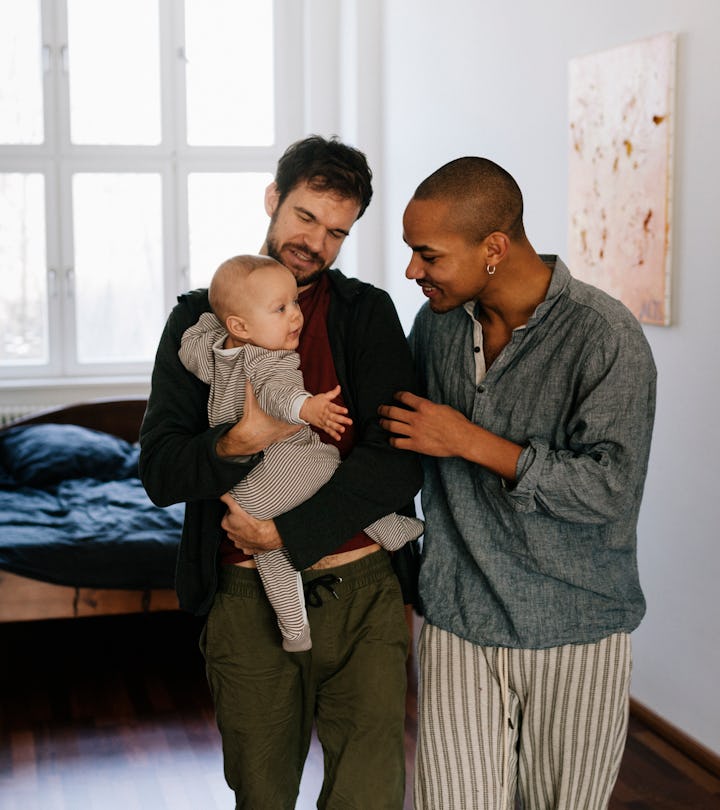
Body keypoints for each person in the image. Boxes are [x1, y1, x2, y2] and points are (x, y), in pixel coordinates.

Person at [139, 135, 422, 809]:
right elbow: (159, 469)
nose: (315, 242)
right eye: (304, 217)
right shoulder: (199, 321)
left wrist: (286, 535)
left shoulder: (367, 314)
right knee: (263, 795)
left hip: (362, 598)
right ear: (273, 199)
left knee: (369, 796)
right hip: (246, 606)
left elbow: (399, 460)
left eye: (336, 232)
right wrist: (238, 440)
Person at [378, 156, 657, 810]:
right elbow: (399, 443)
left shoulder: (605, 335)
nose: (413, 271)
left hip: (577, 626)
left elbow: (610, 490)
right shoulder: (437, 325)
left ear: (494, 248)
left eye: (428, 255)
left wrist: (469, 441)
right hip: (457, 616)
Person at [178, 253, 423, 653]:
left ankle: (294, 629)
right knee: (334, 467)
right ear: (240, 325)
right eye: (281, 308)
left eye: (295, 303)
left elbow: (190, 347)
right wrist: (308, 408)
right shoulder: (267, 358)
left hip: (246, 490)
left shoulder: (216, 356)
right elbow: (278, 393)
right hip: (284, 467)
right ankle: (387, 526)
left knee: (271, 556)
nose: (296, 316)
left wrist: (211, 322)